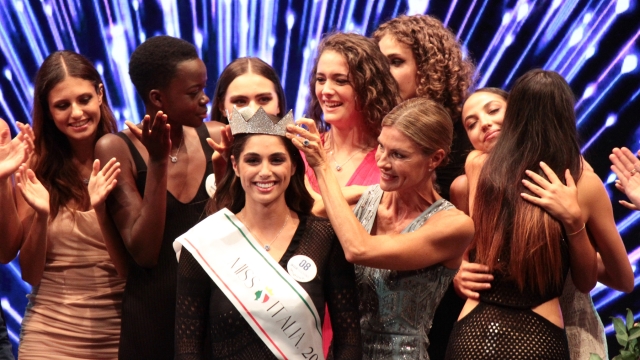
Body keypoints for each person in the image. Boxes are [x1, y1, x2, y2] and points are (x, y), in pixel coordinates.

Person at [444, 69, 632, 359]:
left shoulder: (480, 168)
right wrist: (456, 268)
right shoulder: (581, 182)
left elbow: (599, 280)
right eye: (471, 123)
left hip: (477, 331)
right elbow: (592, 281)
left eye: (494, 110)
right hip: (538, 333)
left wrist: (573, 226)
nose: (485, 124)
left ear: (516, 113)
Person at [288, 97, 474, 359]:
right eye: (381, 148)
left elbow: (359, 249)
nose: (382, 162)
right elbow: (298, 206)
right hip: (343, 353)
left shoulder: (454, 226)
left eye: (398, 155)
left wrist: (321, 165)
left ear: (435, 159)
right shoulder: (360, 198)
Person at [174, 106, 362, 359]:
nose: (265, 171)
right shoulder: (205, 241)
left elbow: (349, 340)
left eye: (276, 159)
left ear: (294, 166)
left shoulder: (324, 238)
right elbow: (187, 348)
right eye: (253, 160)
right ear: (236, 165)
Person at [94, 36, 223, 359]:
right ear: (157, 97)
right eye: (194, 93)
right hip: (151, 322)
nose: (206, 100)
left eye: (204, 88)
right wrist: (158, 162)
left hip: (214, 317)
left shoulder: (220, 137)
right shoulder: (115, 148)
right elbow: (145, 252)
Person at [0, 51, 126, 359]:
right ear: (48, 110)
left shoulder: (127, 156)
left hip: (123, 334)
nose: (76, 113)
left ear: (100, 94)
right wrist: (4, 183)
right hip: (50, 337)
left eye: (84, 99)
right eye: (62, 105)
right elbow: (21, 266)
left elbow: (142, 265)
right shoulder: (35, 165)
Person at [372, 14, 476, 200]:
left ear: (429, 67)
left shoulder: (466, 133)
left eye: (396, 61)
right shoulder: (372, 124)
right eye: (379, 62)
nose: (383, 72)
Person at [306, 32, 399, 192]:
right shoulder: (302, 152)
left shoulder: (389, 161)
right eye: (321, 79)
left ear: (370, 88)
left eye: (340, 81)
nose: (326, 90)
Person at [209, 57, 287, 124]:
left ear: (278, 105)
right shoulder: (200, 140)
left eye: (264, 99)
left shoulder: (295, 140)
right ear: (222, 107)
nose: (253, 112)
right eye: (240, 101)